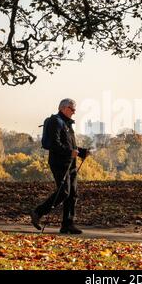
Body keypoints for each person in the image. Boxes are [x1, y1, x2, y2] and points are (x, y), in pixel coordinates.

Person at [30, 98, 90, 234]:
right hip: (59, 163)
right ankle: (37, 212)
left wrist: (82, 152)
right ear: (63, 108)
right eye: (72, 109)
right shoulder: (55, 122)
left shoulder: (67, 123)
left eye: (75, 110)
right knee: (64, 192)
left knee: (73, 194)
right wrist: (70, 152)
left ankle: (67, 225)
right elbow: (55, 144)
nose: (74, 112)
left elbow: (71, 146)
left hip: (71, 163)